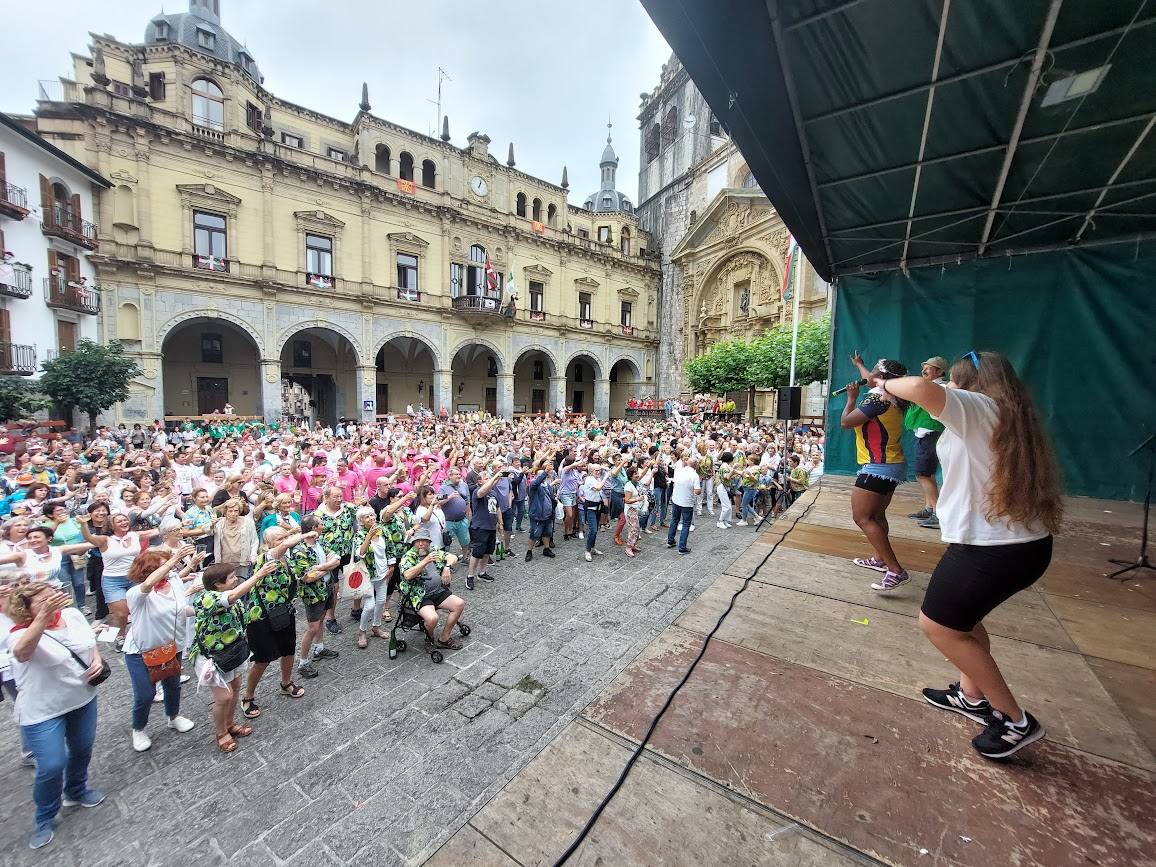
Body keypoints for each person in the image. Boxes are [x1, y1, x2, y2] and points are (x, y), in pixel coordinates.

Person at [872, 350, 1062, 759]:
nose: (947, 389)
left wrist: (884, 385)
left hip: (991, 549)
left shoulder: (976, 408)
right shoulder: (1003, 412)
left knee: (938, 624)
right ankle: (972, 695)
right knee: (963, 620)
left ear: (968, 384)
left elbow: (921, 388)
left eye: (952, 381)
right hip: (1016, 546)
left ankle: (1014, 719)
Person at [6, 582, 105, 850]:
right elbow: (23, 652)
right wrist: (42, 617)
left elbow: (89, 642)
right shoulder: (18, 634)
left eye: (52, 596)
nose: (51, 602)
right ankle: (45, 817)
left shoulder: (72, 615)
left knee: (82, 748)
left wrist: (96, 660)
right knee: (51, 764)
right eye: (42, 601)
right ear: (25, 610)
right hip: (43, 710)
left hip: (81, 697)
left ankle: (76, 790)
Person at [191, 560, 281, 753]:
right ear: (217, 584)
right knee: (223, 696)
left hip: (233, 651)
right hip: (213, 657)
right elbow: (232, 597)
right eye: (231, 577)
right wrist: (258, 575)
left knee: (235, 687)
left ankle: (230, 724)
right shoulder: (208, 598)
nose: (235, 580)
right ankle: (220, 732)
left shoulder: (229, 596)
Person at [841, 354, 910, 592]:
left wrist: (851, 399)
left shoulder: (876, 400)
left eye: (873, 372)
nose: (868, 376)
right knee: (877, 517)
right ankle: (881, 559)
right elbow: (871, 380)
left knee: (862, 518)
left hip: (878, 465)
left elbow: (847, 422)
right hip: (892, 463)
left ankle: (895, 569)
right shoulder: (895, 397)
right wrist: (859, 365)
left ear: (882, 378)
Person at [122, 547, 199, 753]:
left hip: (172, 647)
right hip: (141, 652)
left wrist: (203, 610)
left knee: (172, 686)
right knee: (145, 695)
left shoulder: (173, 583)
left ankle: (173, 717)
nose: (171, 569)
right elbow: (148, 583)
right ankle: (138, 729)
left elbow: (181, 610)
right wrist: (173, 559)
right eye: (165, 566)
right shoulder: (136, 593)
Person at [239, 526, 314, 719]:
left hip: (284, 612)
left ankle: (286, 683)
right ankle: (248, 696)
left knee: (288, 650)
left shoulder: (286, 558)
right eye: (279, 539)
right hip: (262, 617)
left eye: (285, 537)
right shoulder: (266, 558)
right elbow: (284, 546)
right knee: (263, 658)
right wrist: (303, 534)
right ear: (268, 543)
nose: (285, 541)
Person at [78, 512, 162, 650]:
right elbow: (88, 537)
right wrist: (83, 524)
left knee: (142, 608)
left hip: (135, 577)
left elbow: (158, 530)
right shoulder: (105, 540)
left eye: (125, 520)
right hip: (113, 581)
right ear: (112, 525)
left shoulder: (135, 535)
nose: (124, 522)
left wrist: (177, 525)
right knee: (122, 614)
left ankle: (141, 635)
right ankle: (121, 635)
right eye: (119, 521)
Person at [398, 528, 465, 651]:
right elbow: (407, 575)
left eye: (424, 541)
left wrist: (447, 567)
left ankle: (444, 639)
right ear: (414, 542)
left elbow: (452, 557)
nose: (421, 543)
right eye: (418, 541)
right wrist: (425, 561)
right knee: (432, 618)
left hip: (438, 591)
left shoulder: (433, 551)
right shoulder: (408, 556)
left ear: (429, 542)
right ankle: (429, 637)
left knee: (459, 604)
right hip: (420, 596)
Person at [293, 515, 341, 672]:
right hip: (313, 593)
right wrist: (328, 566)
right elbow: (307, 577)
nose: (323, 525)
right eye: (320, 524)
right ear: (313, 528)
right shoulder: (300, 550)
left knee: (321, 619)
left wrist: (320, 567)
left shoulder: (320, 542)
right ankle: (303, 662)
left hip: (325, 587)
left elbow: (337, 558)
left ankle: (319, 648)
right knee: (312, 627)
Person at [905, 356, 948, 530]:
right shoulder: (932, 386)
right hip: (926, 435)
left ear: (939, 371)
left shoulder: (941, 387)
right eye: (924, 367)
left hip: (932, 434)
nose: (924, 370)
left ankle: (938, 513)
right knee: (926, 474)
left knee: (923, 474)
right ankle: (930, 508)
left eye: (929, 368)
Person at [524, 453, 558, 562]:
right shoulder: (533, 485)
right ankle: (529, 551)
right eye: (540, 475)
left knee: (547, 532)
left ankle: (546, 549)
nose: (542, 477)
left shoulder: (547, 485)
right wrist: (545, 472)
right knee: (534, 533)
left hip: (547, 514)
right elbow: (537, 482)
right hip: (537, 515)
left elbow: (551, 498)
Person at [667, 450, 700, 555]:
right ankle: (682, 547)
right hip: (686, 502)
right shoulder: (695, 476)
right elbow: (697, 491)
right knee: (686, 524)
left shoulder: (679, 471)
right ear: (695, 465)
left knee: (674, 520)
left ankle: (670, 540)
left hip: (676, 499)